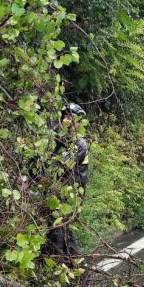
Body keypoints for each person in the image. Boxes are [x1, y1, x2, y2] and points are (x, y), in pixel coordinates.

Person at [43, 103, 90, 256]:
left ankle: (60, 269)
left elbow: (58, 167)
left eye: (69, 117)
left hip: (69, 198)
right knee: (64, 235)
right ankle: (79, 272)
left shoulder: (79, 144)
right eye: (64, 117)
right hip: (58, 195)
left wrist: (39, 179)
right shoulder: (63, 141)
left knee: (58, 234)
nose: (65, 120)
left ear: (78, 122)